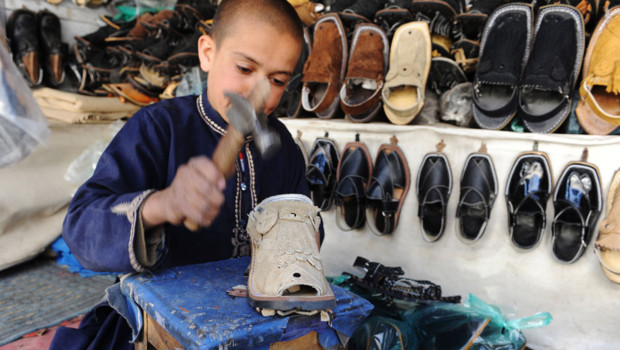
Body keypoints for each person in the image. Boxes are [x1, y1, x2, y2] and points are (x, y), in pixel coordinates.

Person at [50, 1, 318, 348]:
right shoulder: (158, 128)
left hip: (256, 321)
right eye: (244, 68)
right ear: (207, 53)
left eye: (278, 80)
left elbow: (307, 232)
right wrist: (161, 205)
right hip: (163, 320)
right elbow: (82, 224)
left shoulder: (282, 147)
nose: (258, 94)